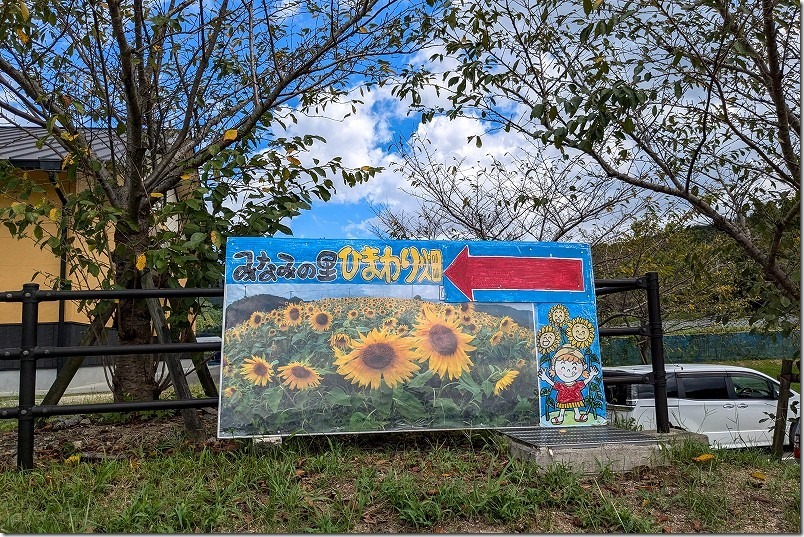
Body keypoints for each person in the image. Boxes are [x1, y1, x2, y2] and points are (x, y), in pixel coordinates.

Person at [539, 344, 599, 424]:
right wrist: (545, 377)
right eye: (563, 368)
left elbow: (585, 382)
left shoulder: (577, 384)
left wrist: (592, 374)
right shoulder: (561, 386)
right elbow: (553, 384)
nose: (568, 371)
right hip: (563, 398)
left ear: (583, 367)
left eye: (574, 368)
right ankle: (561, 417)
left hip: (575, 398)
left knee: (575, 406)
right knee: (562, 408)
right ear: (553, 368)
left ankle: (577, 415)